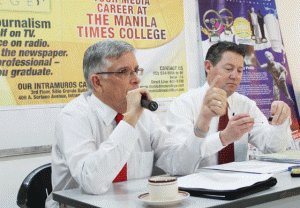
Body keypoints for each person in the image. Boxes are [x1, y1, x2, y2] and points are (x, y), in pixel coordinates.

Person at [45, 40, 203, 208]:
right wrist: (129, 121)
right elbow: (93, 183)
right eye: (124, 72)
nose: (136, 79)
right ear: (97, 82)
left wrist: (202, 125)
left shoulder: (144, 116)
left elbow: (181, 166)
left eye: (136, 70)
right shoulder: (74, 116)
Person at [166, 41, 292, 168]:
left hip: (242, 183)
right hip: (198, 185)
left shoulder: (245, 104)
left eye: (240, 70)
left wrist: (281, 122)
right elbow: (180, 162)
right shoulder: (184, 104)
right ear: (208, 67)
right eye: (228, 69)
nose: (235, 76)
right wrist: (223, 138)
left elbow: (271, 148)